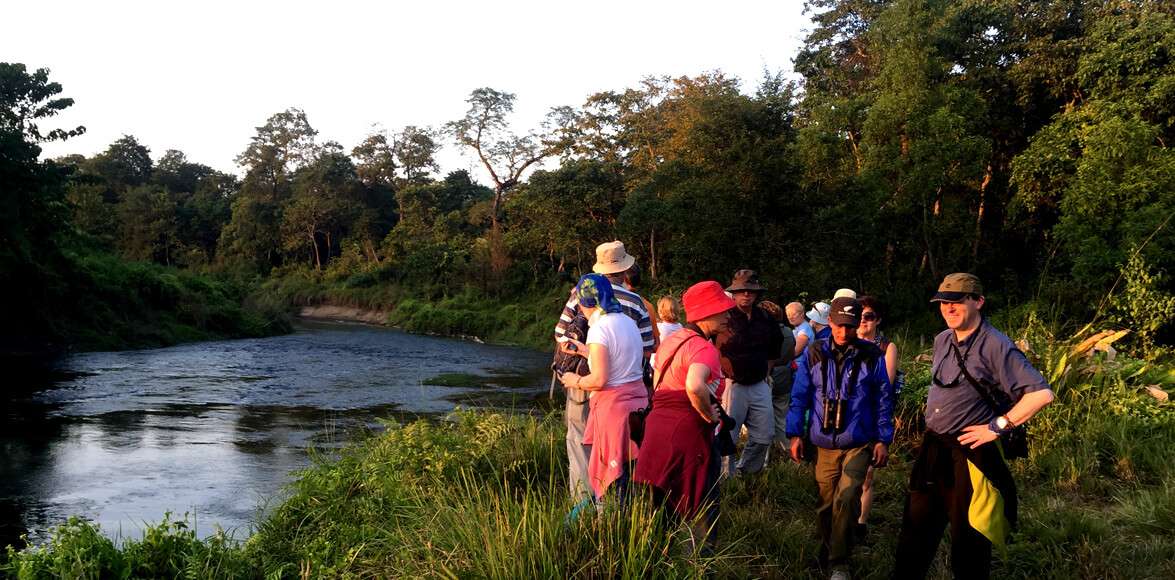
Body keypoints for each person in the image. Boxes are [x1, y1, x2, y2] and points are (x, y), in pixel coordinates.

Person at [893, 273, 1055, 580]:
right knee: (915, 527)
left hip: (969, 454)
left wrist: (997, 427)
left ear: (978, 301)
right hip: (934, 447)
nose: (949, 308)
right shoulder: (943, 339)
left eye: (957, 301)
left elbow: (1042, 394)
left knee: (969, 538)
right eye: (943, 302)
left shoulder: (996, 345)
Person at [787, 297, 894, 580]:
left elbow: (884, 397)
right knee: (826, 501)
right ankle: (829, 547)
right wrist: (795, 433)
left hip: (858, 439)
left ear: (857, 324)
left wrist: (883, 439)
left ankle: (840, 563)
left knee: (846, 497)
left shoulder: (872, 355)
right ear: (829, 322)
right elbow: (800, 396)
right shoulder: (815, 352)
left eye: (849, 326)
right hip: (822, 440)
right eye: (838, 325)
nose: (843, 333)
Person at [633, 281, 735, 551]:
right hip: (689, 435)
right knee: (702, 503)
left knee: (661, 508)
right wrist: (709, 415)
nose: (728, 316)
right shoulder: (705, 349)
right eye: (722, 311)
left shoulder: (671, 341)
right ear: (705, 314)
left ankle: (657, 560)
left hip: (658, 433)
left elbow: (657, 382)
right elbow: (694, 384)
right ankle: (700, 566)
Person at [554, 241, 654, 501]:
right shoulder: (637, 302)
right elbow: (646, 349)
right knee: (621, 452)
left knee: (579, 440)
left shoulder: (582, 293)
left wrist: (578, 369)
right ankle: (617, 505)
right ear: (624, 269)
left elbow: (559, 333)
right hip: (628, 391)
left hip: (590, 385)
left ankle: (585, 502)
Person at [717, 270, 784, 477]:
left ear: (756, 294)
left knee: (765, 434)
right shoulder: (724, 317)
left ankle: (746, 472)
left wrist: (768, 370)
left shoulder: (765, 317)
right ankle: (724, 480)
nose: (746, 294)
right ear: (734, 293)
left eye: (750, 291)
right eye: (741, 291)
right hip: (731, 384)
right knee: (728, 435)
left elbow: (776, 345)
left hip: (759, 382)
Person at [853, 295, 901, 540]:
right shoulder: (845, 342)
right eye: (859, 316)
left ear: (878, 319)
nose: (863, 322)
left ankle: (861, 523)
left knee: (867, 475)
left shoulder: (886, 347)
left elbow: (887, 383)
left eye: (869, 316)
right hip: (846, 418)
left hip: (872, 416)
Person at [759, 300, 797, 453]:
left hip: (769, 377)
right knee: (782, 418)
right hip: (785, 377)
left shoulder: (764, 334)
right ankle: (788, 452)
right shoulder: (788, 332)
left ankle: (764, 456)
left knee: (763, 421)